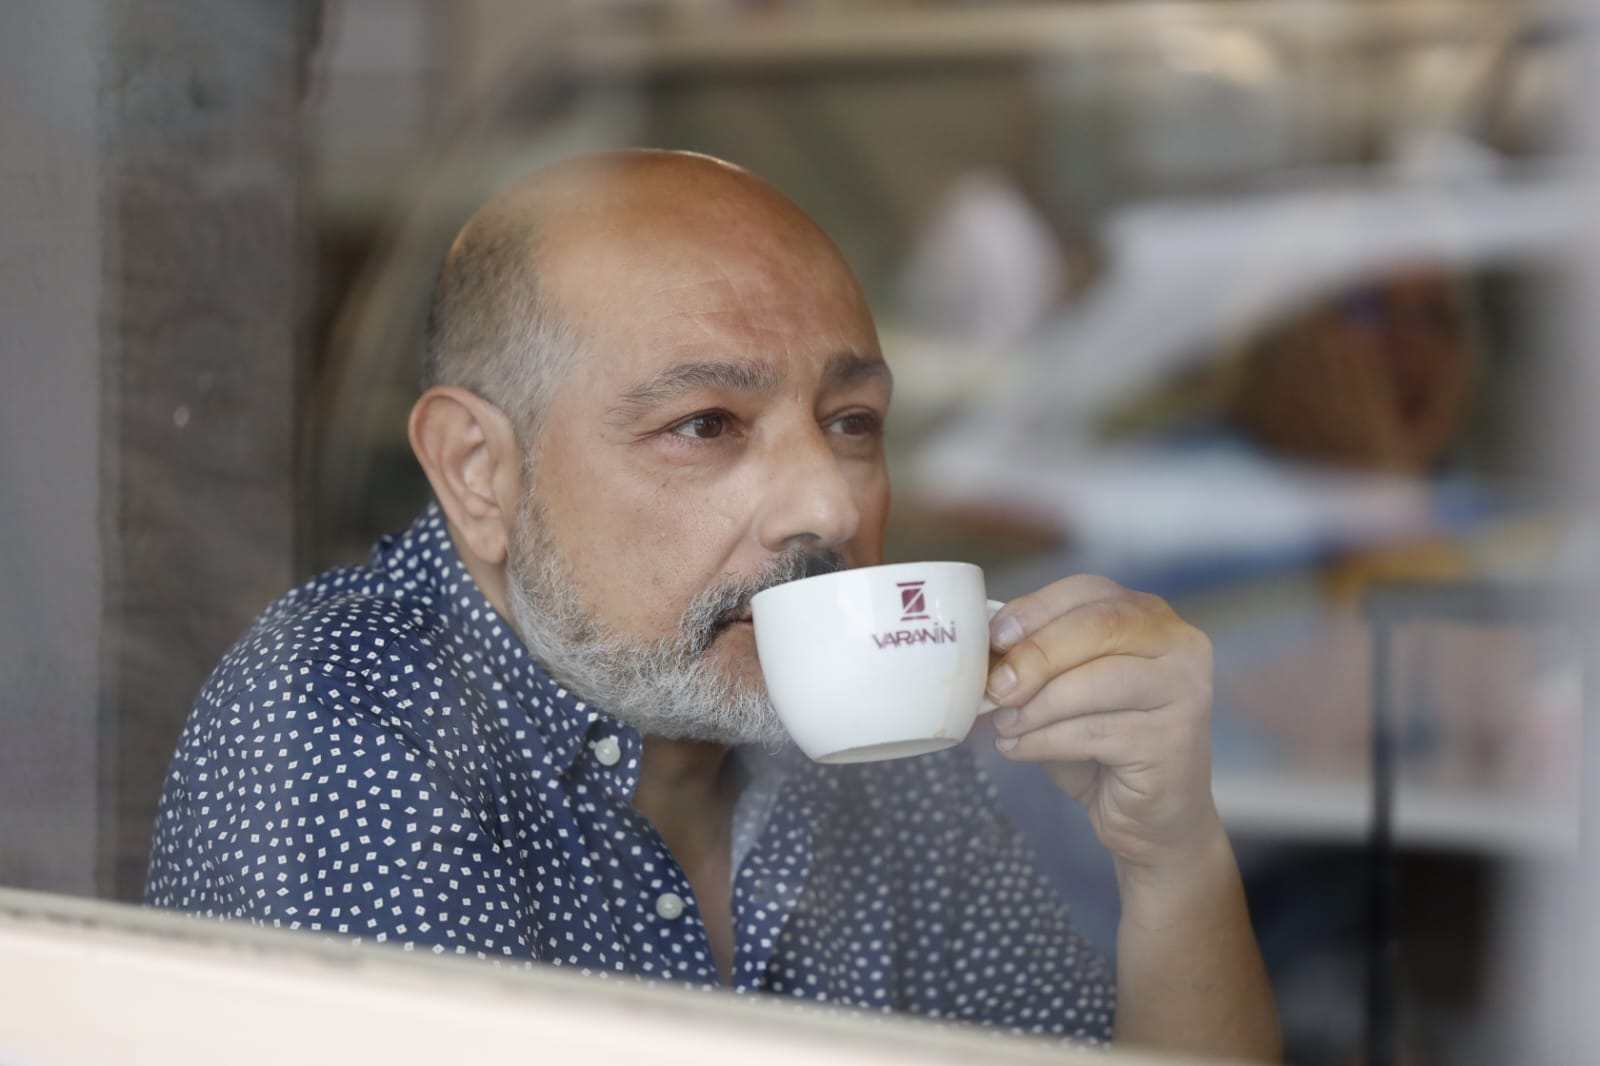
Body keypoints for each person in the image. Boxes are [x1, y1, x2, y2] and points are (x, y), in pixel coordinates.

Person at [146, 150, 1279, 1060]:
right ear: (478, 472)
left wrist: (1170, 858)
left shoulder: (860, 720)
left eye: (851, 422)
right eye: (705, 425)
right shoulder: (338, 713)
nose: (829, 506)